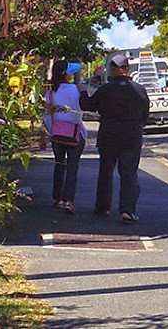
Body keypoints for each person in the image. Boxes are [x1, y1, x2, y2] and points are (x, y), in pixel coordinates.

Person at [84, 52, 150, 223]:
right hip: (132, 135)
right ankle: (127, 210)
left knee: (106, 171)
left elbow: (89, 105)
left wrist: (85, 90)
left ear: (112, 70)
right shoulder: (139, 89)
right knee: (128, 173)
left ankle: (103, 207)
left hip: (109, 134)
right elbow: (145, 115)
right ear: (127, 70)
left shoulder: (105, 89)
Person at [45, 61, 86, 213]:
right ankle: (68, 200)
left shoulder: (49, 93)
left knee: (59, 165)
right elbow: (81, 110)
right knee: (72, 167)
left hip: (57, 133)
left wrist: (52, 131)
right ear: (67, 75)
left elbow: (46, 117)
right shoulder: (76, 90)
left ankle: (57, 198)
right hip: (75, 133)